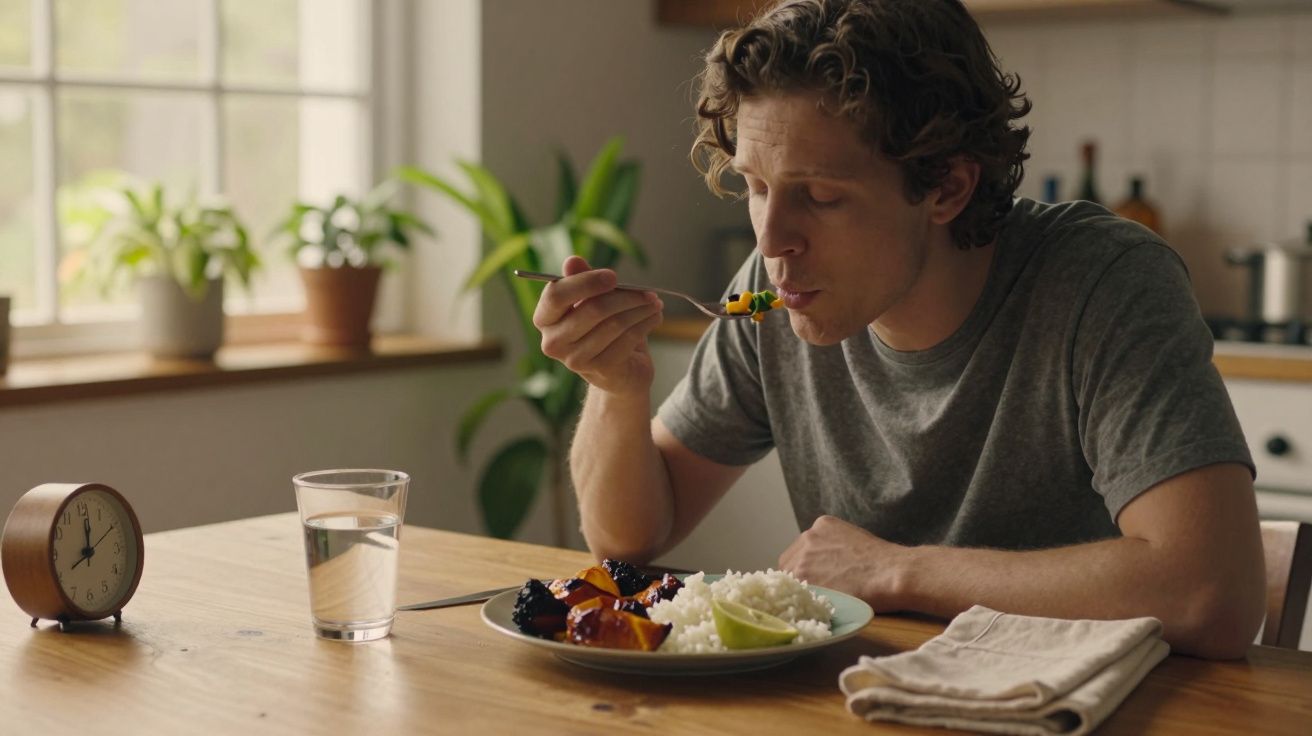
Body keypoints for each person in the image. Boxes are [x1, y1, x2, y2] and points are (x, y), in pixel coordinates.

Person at [531, 0, 1265, 659]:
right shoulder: (774, 289)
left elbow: (1211, 592)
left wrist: (897, 569)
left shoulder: (1101, 283)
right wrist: (616, 388)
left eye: (819, 196)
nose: (773, 237)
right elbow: (627, 537)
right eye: (756, 186)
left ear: (947, 185)